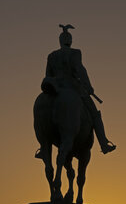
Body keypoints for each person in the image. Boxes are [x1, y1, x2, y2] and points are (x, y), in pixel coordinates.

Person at [38, 24, 116, 156]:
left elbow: (48, 75)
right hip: (73, 88)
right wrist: (89, 86)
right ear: (70, 41)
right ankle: (104, 143)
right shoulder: (75, 53)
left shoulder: (52, 56)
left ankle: (43, 148)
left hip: (55, 89)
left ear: (60, 41)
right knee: (94, 114)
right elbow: (80, 70)